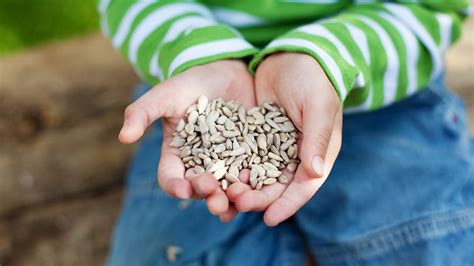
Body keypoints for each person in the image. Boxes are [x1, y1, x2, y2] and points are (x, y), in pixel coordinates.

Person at [98, 0, 474, 265]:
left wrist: (325, 57)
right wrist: (205, 53)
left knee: (429, 243)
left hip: (376, 80)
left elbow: (431, 6)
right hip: (196, 84)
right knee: (164, 251)